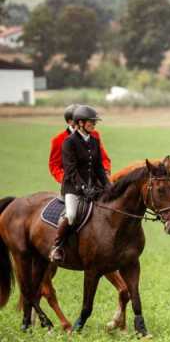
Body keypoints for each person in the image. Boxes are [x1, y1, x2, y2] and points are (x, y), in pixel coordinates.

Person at [49, 105, 110, 262]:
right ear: (81, 123)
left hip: (92, 186)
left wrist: (108, 185)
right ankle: (57, 246)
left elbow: (98, 167)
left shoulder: (94, 141)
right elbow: (70, 170)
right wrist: (82, 187)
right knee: (71, 215)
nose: (94, 125)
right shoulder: (69, 142)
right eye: (91, 122)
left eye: (94, 122)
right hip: (73, 188)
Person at [49, 104, 111, 184]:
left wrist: (106, 172)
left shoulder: (94, 135)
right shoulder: (58, 140)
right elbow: (54, 165)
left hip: (94, 180)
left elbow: (103, 158)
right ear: (70, 121)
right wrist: (63, 179)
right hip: (71, 182)